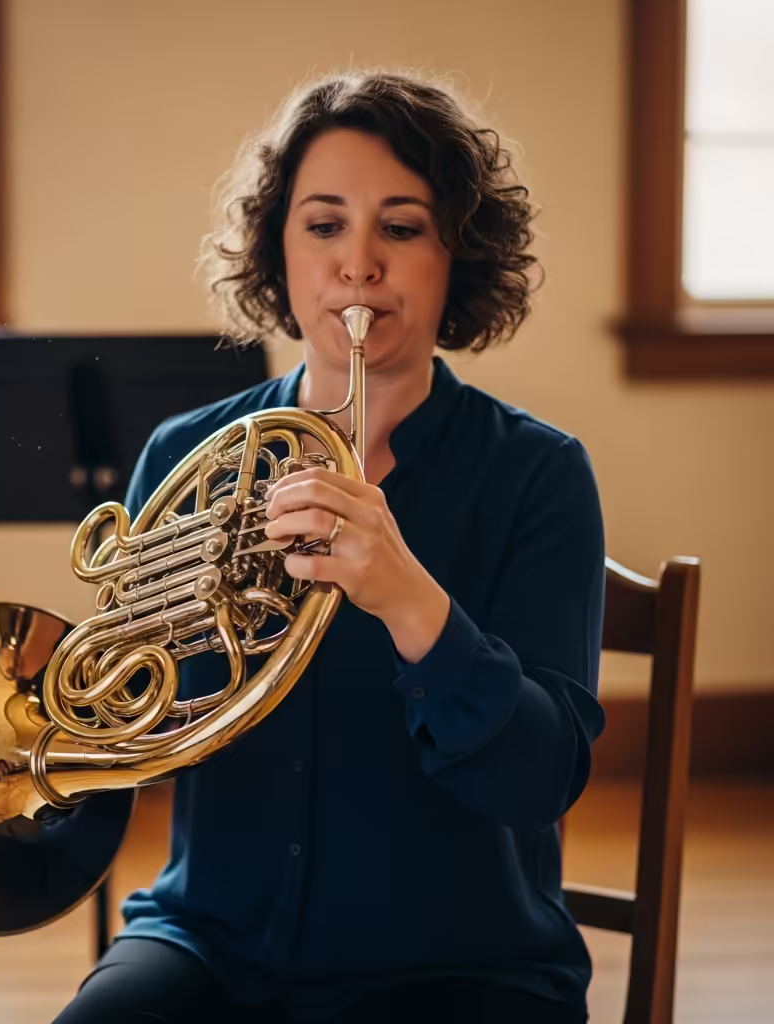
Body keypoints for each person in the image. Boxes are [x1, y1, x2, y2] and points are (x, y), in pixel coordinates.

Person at [52, 69, 606, 1024]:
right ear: (279, 253)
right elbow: (147, 725)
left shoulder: (540, 475)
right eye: (322, 225)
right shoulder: (185, 456)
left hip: (456, 963)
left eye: (400, 226)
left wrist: (411, 603)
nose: (358, 264)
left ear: (455, 257)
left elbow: (538, 780)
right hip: (210, 940)